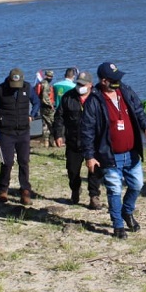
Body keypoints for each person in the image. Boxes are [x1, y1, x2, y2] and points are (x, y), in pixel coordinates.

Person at [82, 62, 146, 239]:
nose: (118, 82)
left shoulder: (126, 91)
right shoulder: (94, 100)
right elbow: (87, 130)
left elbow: (138, 110)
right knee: (114, 189)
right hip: (109, 155)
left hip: (131, 152)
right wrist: (90, 156)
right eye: (114, 80)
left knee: (137, 184)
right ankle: (118, 225)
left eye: (119, 79)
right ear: (104, 81)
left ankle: (127, 211)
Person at [0, 68, 40, 205]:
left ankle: (25, 191)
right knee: (7, 162)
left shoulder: (27, 87)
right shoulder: (0, 89)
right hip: (6, 132)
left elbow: (37, 102)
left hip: (23, 131)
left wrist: (32, 115)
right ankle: (3, 189)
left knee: (24, 161)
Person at [52, 71, 103, 210]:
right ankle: (75, 189)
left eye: (82, 84)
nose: (79, 86)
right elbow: (59, 117)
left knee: (95, 170)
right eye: (78, 84)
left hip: (94, 142)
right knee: (72, 170)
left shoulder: (98, 98)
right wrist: (58, 135)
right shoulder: (68, 97)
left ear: (90, 85)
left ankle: (94, 196)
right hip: (74, 140)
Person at [35, 70, 56, 147]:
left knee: (45, 124)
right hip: (47, 107)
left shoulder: (40, 83)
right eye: (50, 76)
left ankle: (46, 142)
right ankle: (52, 141)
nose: (51, 78)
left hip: (41, 107)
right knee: (52, 123)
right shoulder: (46, 85)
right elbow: (45, 97)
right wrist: (51, 105)